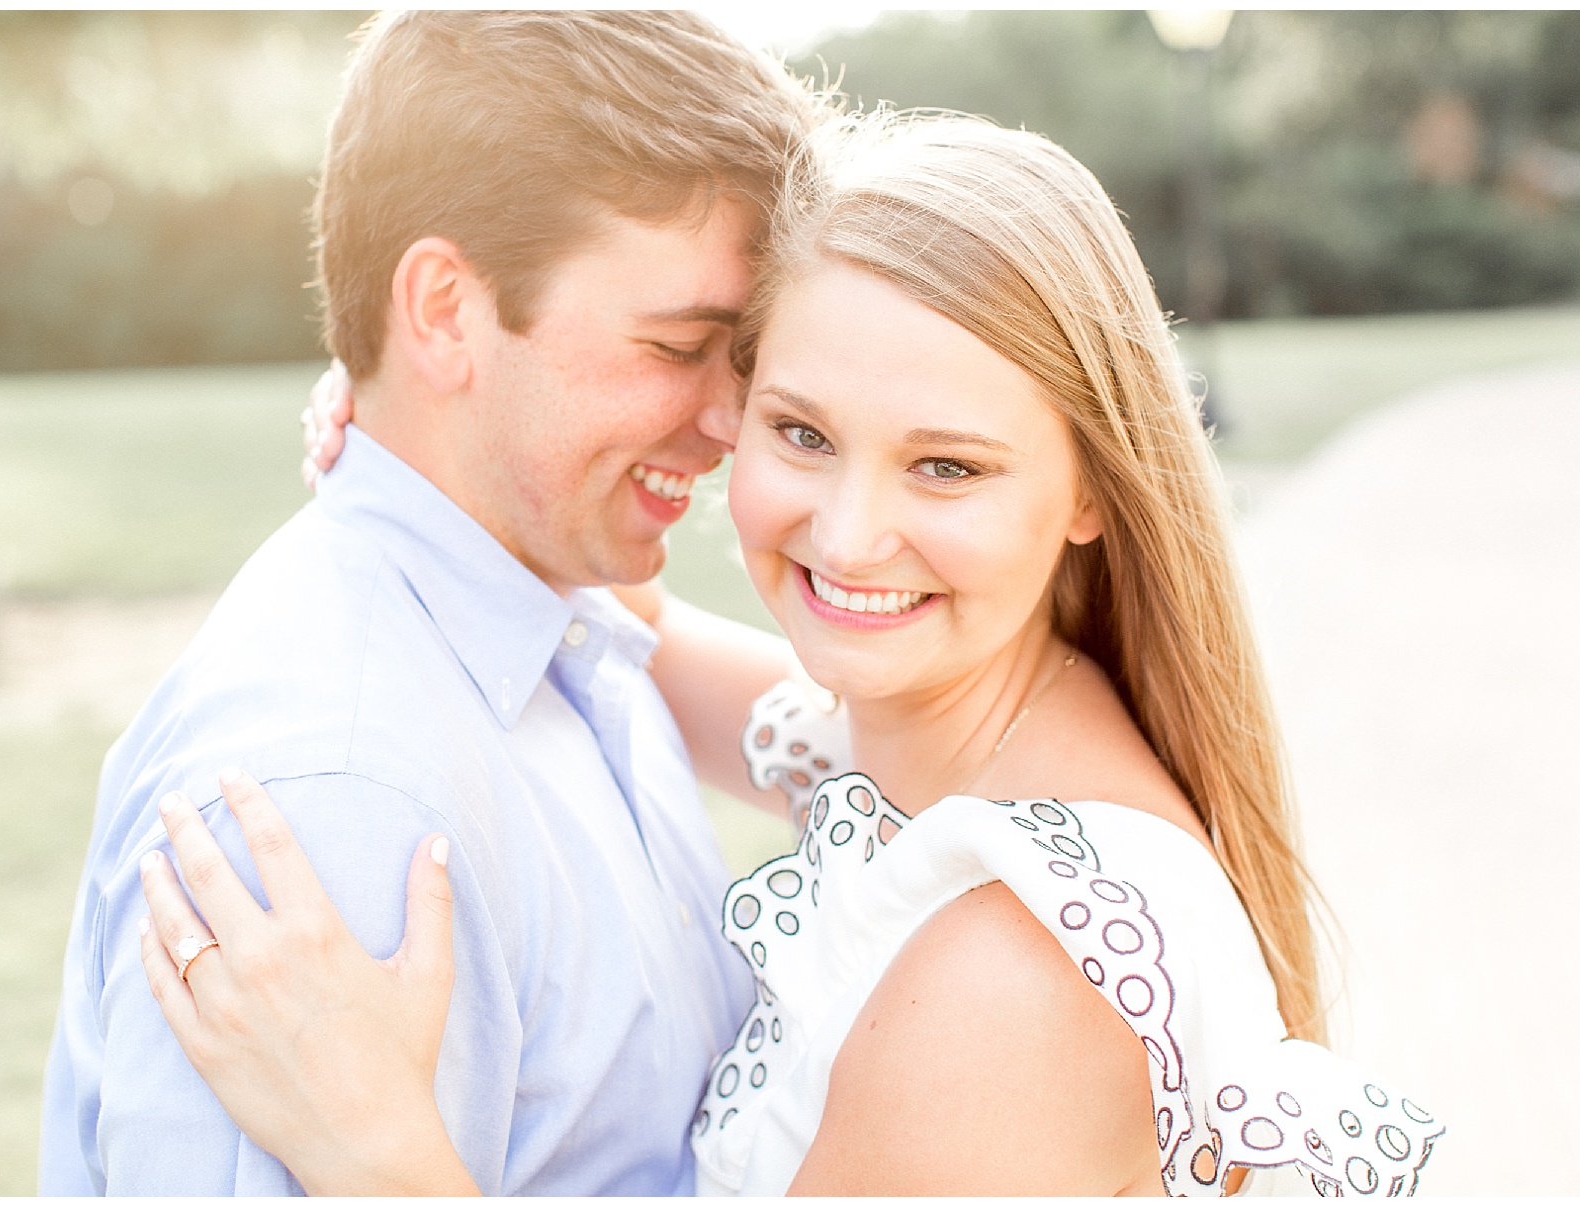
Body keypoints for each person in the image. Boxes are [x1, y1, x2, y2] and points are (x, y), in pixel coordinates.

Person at [136, 111, 1446, 1196]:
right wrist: (423, 443)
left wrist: (379, 1146)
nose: (850, 533)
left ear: (1093, 492)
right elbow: (643, 635)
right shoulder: (935, 733)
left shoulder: (1004, 972)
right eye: (803, 434)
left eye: (948, 464)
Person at [38, 11, 819, 1195]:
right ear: (447, 308)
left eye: (747, 357)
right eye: (677, 347)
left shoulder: (575, 628)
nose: (730, 422)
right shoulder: (340, 802)